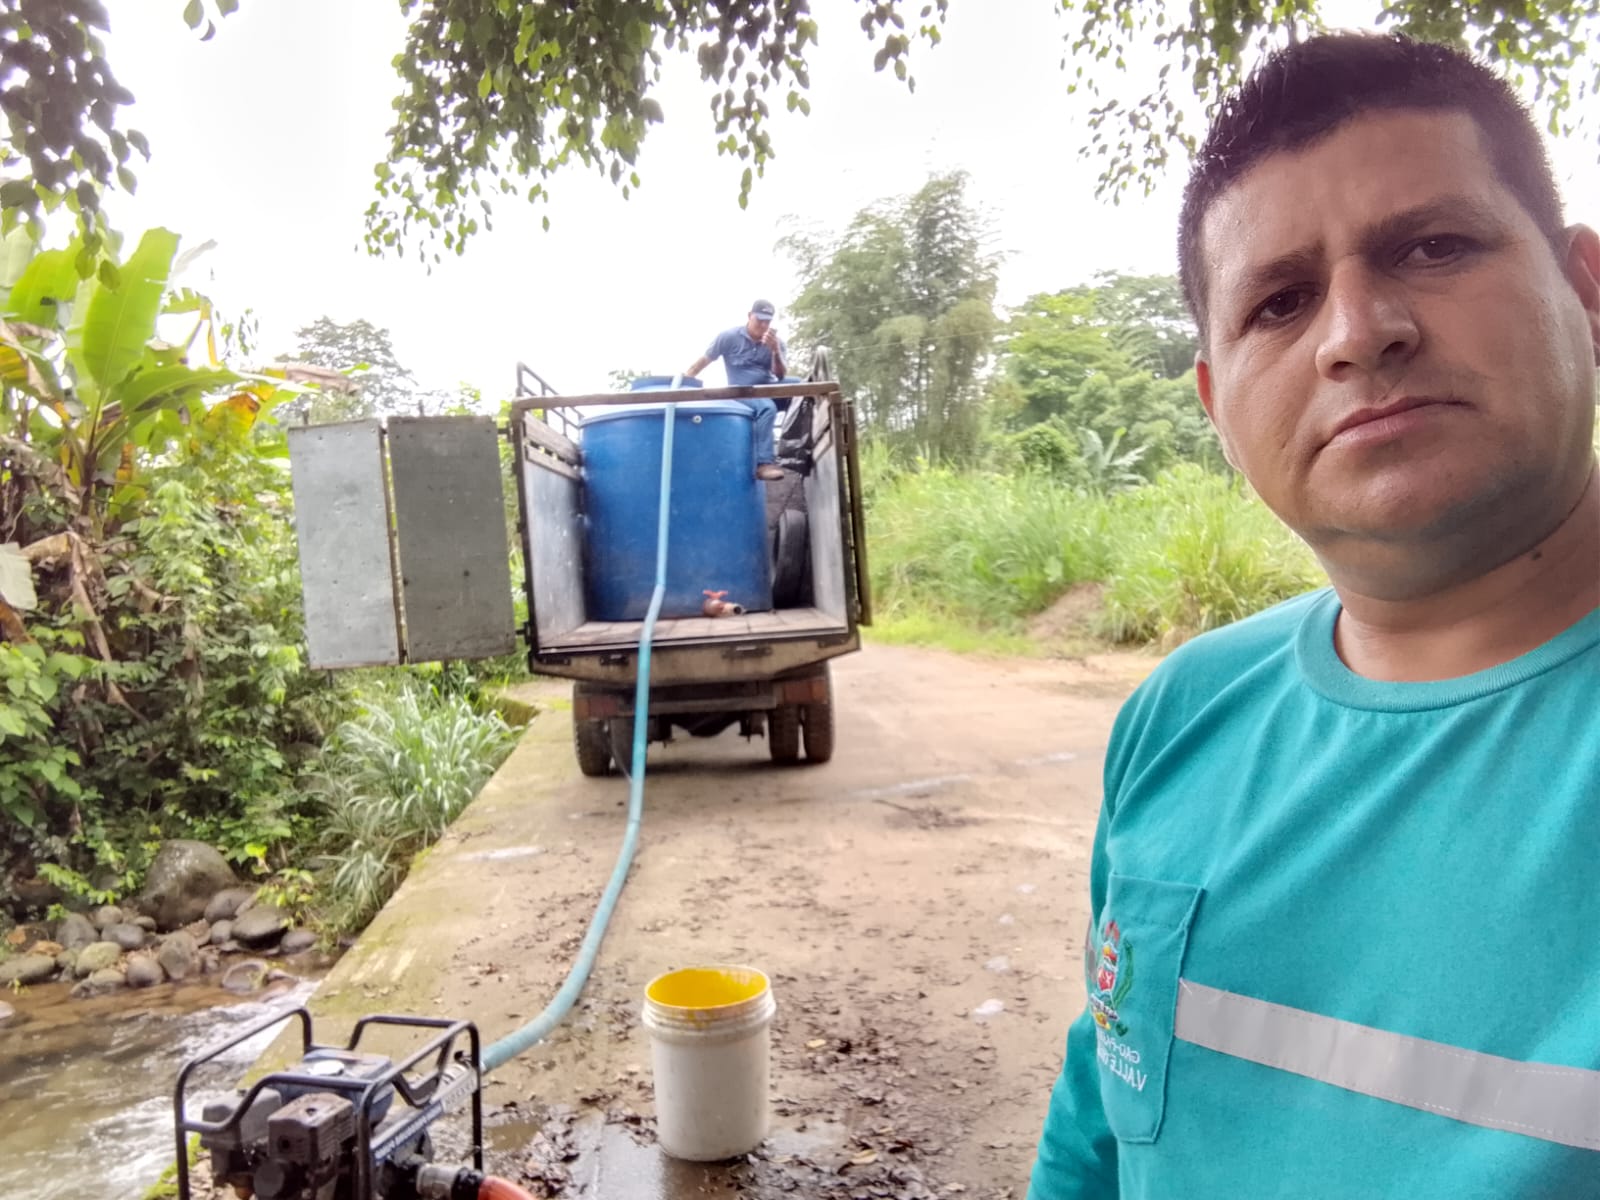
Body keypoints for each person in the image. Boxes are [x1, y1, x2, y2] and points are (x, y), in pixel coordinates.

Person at [1029, 32, 1598, 1200]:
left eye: (1433, 247)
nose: (1357, 332)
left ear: (1585, 291)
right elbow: (1100, 1117)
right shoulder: (1182, 715)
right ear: (1216, 405)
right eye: (1279, 302)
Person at [685, 299, 790, 481]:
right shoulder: (728, 337)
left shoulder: (776, 343)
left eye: (767, 321)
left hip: (768, 387)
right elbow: (703, 361)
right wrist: (686, 381)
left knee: (804, 390)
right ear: (749, 316)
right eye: (759, 320)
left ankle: (799, 449)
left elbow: (780, 375)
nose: (763, 325)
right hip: (742, 392)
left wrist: (775, 351)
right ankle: (764, 463)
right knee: (767, 408)